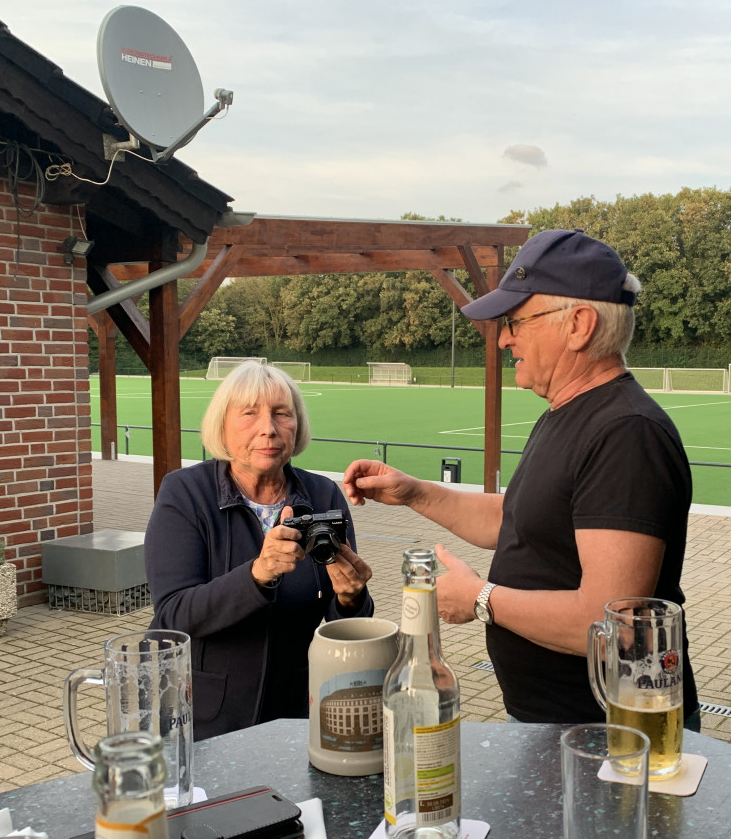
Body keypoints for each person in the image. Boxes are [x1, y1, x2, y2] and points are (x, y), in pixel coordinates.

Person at [342, 229, 700, 727]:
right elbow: (520, 519)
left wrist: (481, 599)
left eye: (516, 321)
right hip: (557, 726)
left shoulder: (626, 434)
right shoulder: (570, 412)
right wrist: (414, 493)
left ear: (578, 325)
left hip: (607, 736)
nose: (504, 337)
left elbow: (610, 623)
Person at [145, 362, 373, 740]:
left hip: (295, 715)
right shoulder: (185, 494)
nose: (268, 428)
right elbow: (172, 616)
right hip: (205, 721)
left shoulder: (322, 495)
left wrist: (352, 598)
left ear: (297, 425)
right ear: (222, 425)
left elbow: (344, 626)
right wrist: (257, 575)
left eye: (281, 413)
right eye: (249, 413)